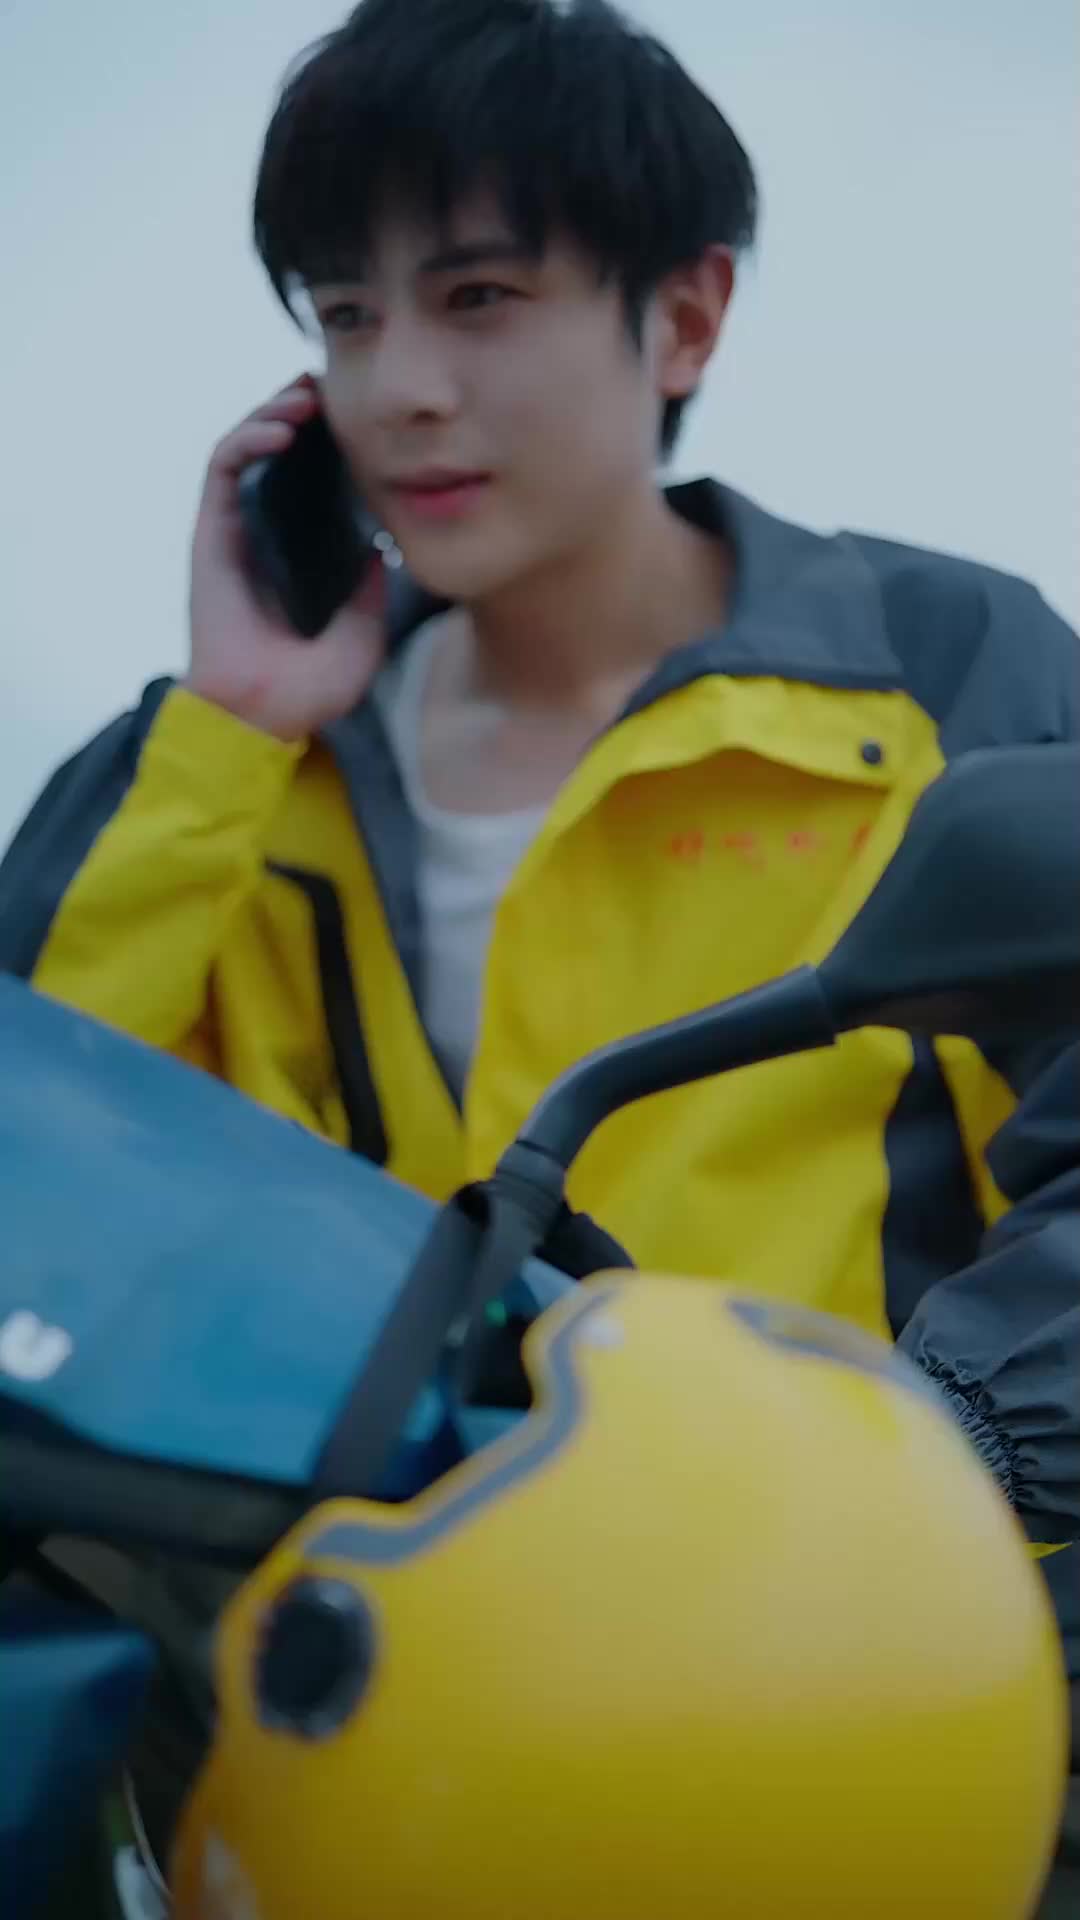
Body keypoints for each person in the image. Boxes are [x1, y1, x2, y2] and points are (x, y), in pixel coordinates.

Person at [0, 0, 1076, 1908]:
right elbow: (35, 1167)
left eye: (479, 298)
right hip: (365, 1774)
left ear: (686, 317)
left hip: (882, 1727)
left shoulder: (945, 670)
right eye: (345, 315)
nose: (399, 388)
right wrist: (229, 729)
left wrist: (941, 1454)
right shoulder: (235, 775)